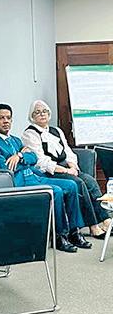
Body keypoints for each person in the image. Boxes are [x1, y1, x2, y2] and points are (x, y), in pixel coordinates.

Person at [0, 104, 91, 253]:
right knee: (56, 191)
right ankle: (60, 235)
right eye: (1, 118)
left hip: (34, 177)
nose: (5, 121)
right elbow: (5, 168)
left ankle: (74, 231)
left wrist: (19, 155)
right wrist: (24, 157)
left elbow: (33, 158)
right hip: (19, 183)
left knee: (71, 185)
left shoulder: (15, 140)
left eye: (8, 118)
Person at [22, 100, 111, 239]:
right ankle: (93, 226)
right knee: (79, 183)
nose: (42, 114)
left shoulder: (56, 131)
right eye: (37, 112)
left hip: (66, 167)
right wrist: (65, 171)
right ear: (32, 116)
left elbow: (68, 151)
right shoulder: (30, 134)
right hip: (50, 172)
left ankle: (106, 220)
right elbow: (41, 161)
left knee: (90, 181)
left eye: (45, 111)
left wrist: (73, 166)